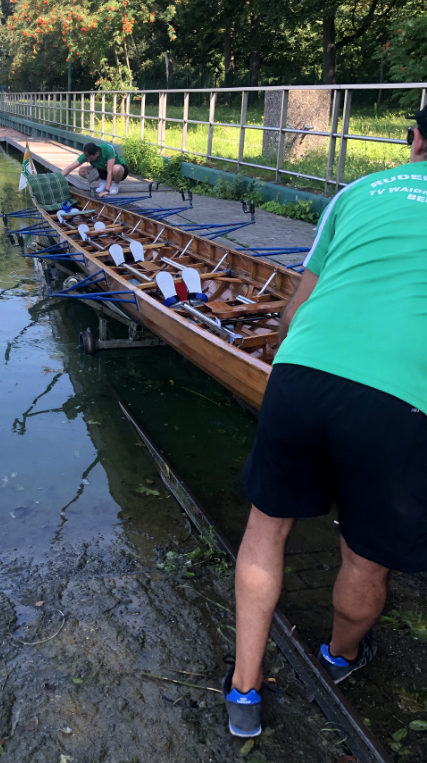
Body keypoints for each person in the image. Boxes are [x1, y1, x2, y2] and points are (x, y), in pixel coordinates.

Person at [223, 106, 427, 739]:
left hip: (301, 372)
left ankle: (243, 692)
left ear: (416, 137)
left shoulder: (358, 192)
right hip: (396, 400)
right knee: (366, 558)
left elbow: (294, 311)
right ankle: (340, 657)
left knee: (266, 529)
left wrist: (293, 353)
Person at [62, 141, 128, 197]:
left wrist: (106, 190)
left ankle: (115, 185)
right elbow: (70, 167)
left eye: (90, 158)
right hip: (102, 170)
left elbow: (110, 172)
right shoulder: (87, 155)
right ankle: (103, 182)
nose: (88, 160)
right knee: (81, 171)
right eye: (86, 158)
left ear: (97, 154)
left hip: (118, 171)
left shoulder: (108, 149)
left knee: (115, 169)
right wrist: (57, 178)